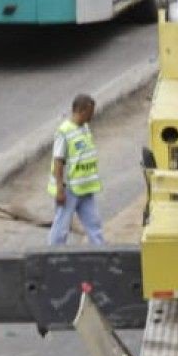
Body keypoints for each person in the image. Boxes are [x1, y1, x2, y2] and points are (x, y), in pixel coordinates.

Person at [47, 94, 104, 245]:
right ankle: (53, 255)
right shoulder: (64, 132)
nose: (93, 115)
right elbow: (58, 161)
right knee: (61, 227)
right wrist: (60, 189)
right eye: (91, 112)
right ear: (82, 110)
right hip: (69, 189)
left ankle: (101, 253)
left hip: (85, 188)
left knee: (94, 225)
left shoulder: (85, 128)